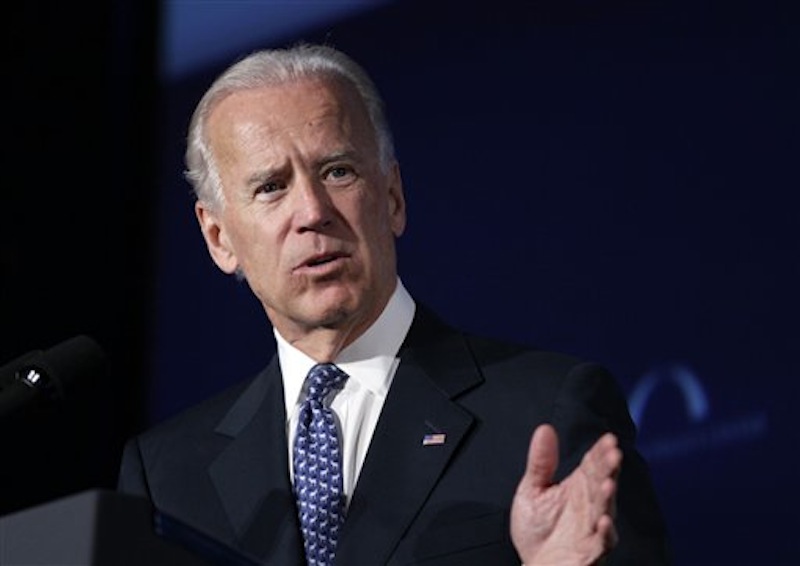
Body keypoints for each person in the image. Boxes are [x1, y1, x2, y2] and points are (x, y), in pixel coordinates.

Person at [117, 42, 670, 565]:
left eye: (338, 171)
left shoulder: (545, 411)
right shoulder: (166, 477)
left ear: (392, 198)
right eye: (271, 187)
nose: (312, 210)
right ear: (219, 239)